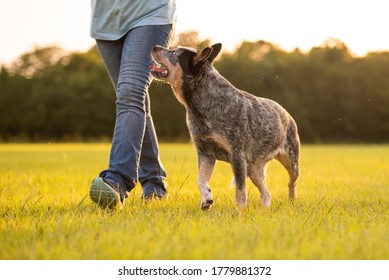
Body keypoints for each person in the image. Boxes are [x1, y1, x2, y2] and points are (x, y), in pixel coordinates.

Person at [89, 0, 177, 209]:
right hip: (106, 21)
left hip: (150, 13)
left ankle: (117, 180)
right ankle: (154, 184)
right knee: (133, 99)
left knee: (131, 93)